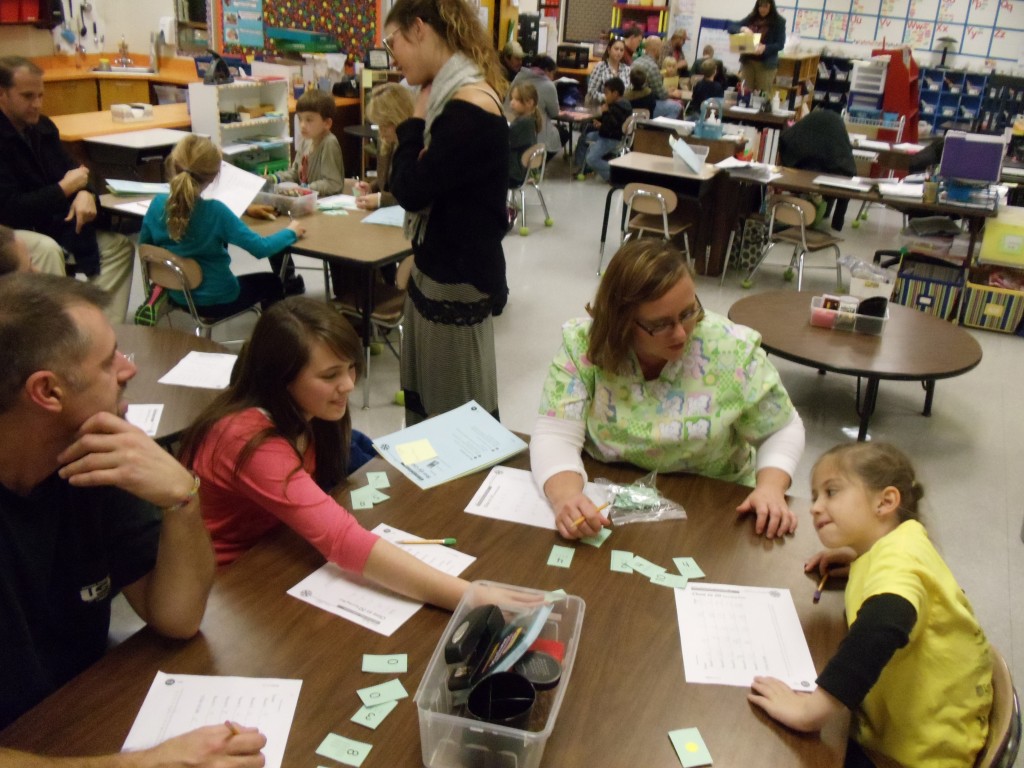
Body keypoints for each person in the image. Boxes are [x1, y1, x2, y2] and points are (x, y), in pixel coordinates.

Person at [0, 272, 267, 765]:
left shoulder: (91, 456)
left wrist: (183, 500)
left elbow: (177, 616)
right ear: (47, 391)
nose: (127, 369)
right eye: (108, 362)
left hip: (76, 717)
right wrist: (146, 762)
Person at [179, 297, 504, 611]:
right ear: (282, 380)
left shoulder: (310, 410)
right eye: (330, 375)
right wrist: (474, 596)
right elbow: (343, 540)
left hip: (281, 544)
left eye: (350, 368)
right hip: (235, 580)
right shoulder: (249, 440)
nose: (349, 384)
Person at [530, 240, 804, 541]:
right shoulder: (583, 345)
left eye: (688, 312)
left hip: (713, 502)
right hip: (609, 498)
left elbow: (781, 428)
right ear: (619, 322)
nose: (681, 333)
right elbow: (555, 434)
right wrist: (566, 496)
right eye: (660, 324)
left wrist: (771, 487)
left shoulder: (730, 348)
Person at [749, 442, 992, 768]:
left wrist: (812, 711)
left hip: (914, 755)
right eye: (815, 495)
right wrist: (859, 557)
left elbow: (886, 622)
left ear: (886, 501)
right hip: (942, 727)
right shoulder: (901, 540)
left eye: (831, 492)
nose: (815, 507)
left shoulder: (896, 563)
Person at [384, 0, 510, 424]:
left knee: (454, 421)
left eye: (393, 42)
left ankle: (451, 495)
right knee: (429, 405)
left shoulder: (466, 107)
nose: (393, 57)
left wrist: (413, 122)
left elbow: (409, 189)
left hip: (455, 280)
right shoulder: (452, 98)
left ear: (418, 29)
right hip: (436, 270)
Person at [0, 57, 133, 325]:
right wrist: (64, 190)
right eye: (27, 96)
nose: (37, 103)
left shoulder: (43, 127)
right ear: (2, 94)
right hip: (8, 229)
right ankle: (56, 332)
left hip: (49, 219)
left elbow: (77, 172)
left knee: (119, 248)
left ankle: (99, 327)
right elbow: (10, 208)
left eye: (40, 95)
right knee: (47, 249)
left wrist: (85, 193)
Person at [139, 134, 304, 320]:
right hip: (219, 299)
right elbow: (261, 248)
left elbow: (146, 248)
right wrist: (291, 231)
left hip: (178, 294)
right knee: (272, 282)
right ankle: (268, 339)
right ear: (215, 176)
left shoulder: (157, 205)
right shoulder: (216, 212)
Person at [269, 89, 345, 296]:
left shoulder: (329, 143)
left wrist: (304, 189)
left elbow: (333, 183)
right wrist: (274, 178)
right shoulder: (305, 141)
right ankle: (288, 280)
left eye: (309, 120)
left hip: (325, 211)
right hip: (306, 205)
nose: (303, 125)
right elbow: (295, 173)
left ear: (327, 123)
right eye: (300, 119)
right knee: (273, 233)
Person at [353, 82, 415, 211]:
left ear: (399, 118)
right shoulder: (386, 141)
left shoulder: (414, 146)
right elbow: (387, 182)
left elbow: (412, 194)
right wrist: (372, 187)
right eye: (378, 125)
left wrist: (381, 199)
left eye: (385, 125)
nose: (381, 132)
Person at [505, 55, 563, 157]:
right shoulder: (548, 85)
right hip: (535, 137)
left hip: (509, 129)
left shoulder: (518, 77)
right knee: (562, 132)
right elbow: (554, 113)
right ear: (546, 70)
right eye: (553, 73)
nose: (553, 77)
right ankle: (540, 166)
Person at [575, 77, 631, 182]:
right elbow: (611, 124)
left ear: (615, 94)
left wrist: (604, 114)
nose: (605, 96)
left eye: (606, 93)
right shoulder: (623, 105)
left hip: (611, 138)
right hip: (611, 134)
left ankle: (615, 172)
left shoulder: (616, 109)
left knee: (591, 159)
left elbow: (609, 128)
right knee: (586, 136)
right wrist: (601, 123)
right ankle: (583, 166)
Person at [729, 0, 787, 94]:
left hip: (766, 64)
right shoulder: (752, 17)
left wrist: (765, 47)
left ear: (771, 6)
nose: (762, 9)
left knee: (762, 94)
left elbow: (780, 44)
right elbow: (732, 27)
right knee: (745, 92)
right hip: (748, 62)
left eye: (765, 6)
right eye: (760, 6)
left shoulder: (778, 21)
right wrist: (743, 28)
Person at [629, 36, 685, 118]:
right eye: (661, 48)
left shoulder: (636, 61)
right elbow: (661, 95)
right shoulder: (652, 66)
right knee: (677, 107)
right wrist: (672, 94)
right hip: (646, 106)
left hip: (633, 102)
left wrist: (667, 90)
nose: (661, 51)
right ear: (656, 50)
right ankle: (660, 129)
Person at [508, 81, 542, 187]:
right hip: (522, 172)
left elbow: (505, 141)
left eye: (517, 100)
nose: (512, 103)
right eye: (512, 99)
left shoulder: (523, 123)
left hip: (513, 175)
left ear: (529, 103)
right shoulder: (530, 120)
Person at [585, 37, 630, 107]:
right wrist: (608, 98)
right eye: (616, 49)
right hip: (602, 107)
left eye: (622, 50)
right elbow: (591, 92)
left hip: (621, 108)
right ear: (609, 50)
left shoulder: (627, 69)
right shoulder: (600, 67)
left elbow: (629, 91)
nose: (619, 52)